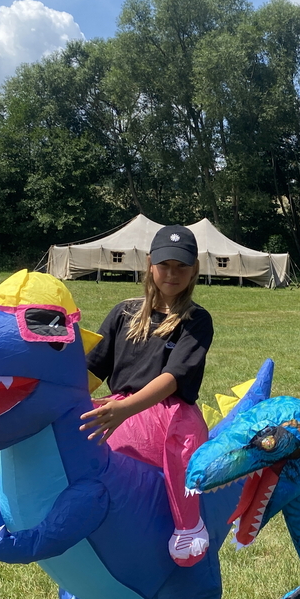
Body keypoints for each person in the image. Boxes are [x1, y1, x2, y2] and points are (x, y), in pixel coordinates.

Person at [80, 224, 212, 567]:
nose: (172, 274)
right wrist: (66, 403)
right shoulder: (124, 312)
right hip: (119, 409)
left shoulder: (196, 320)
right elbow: (92, 370)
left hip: (167, 414)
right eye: (165, 265)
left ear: (194, 269)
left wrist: (126, 410)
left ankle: (188, 525)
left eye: (181, 266)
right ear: (150, 263)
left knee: (182, 453)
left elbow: (173, 378)